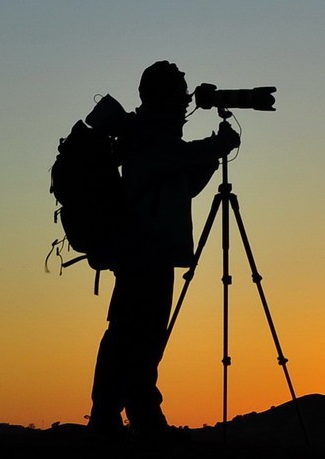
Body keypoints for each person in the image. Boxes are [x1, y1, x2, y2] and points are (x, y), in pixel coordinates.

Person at [89, 60, 239, 437]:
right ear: (163, 96)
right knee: (131, 336)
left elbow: (181, 185)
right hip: (143, 253)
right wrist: (216, 145)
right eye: (179, 92)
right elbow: (176, 158)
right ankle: (116, 418)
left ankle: (137, 414)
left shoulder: (153, 137)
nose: (186, 101)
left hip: (152, 254)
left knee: (143, 336)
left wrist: (212, 155)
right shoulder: (144, 135)